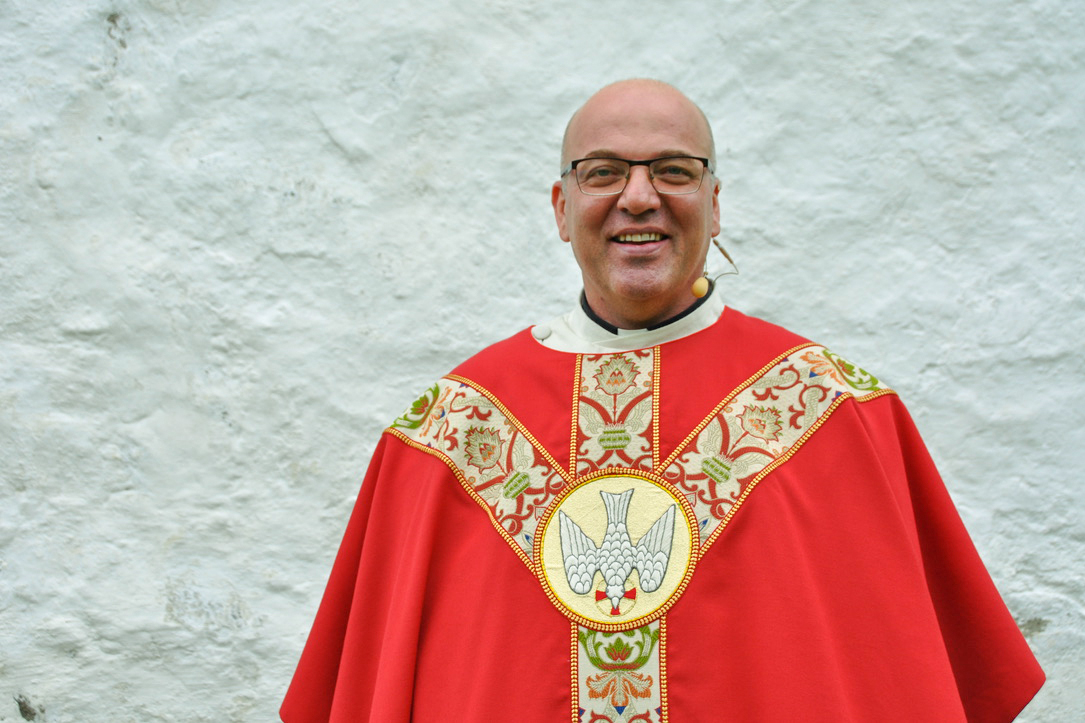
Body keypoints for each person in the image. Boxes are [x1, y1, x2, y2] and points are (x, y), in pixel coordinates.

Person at [280, 79, 1044, 722]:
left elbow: (917, 678)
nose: (639, 197)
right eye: (604, 173)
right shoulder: (447, 435)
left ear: (715, 203)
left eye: (674, 171)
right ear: (561, 206)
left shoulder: (833, 413)